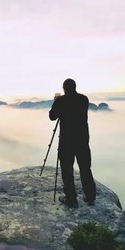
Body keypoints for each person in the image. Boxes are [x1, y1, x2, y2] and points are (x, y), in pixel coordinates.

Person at [49, 78, 96, 208]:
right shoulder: (84, 99)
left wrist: (56, 101)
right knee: (85, 168)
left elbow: (52, 116)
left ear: (64, 88)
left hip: (67, 141)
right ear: (75, 87)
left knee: (67, 170)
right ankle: (90, 197)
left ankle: (71, 199)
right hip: (82, 140)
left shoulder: (61, 101)